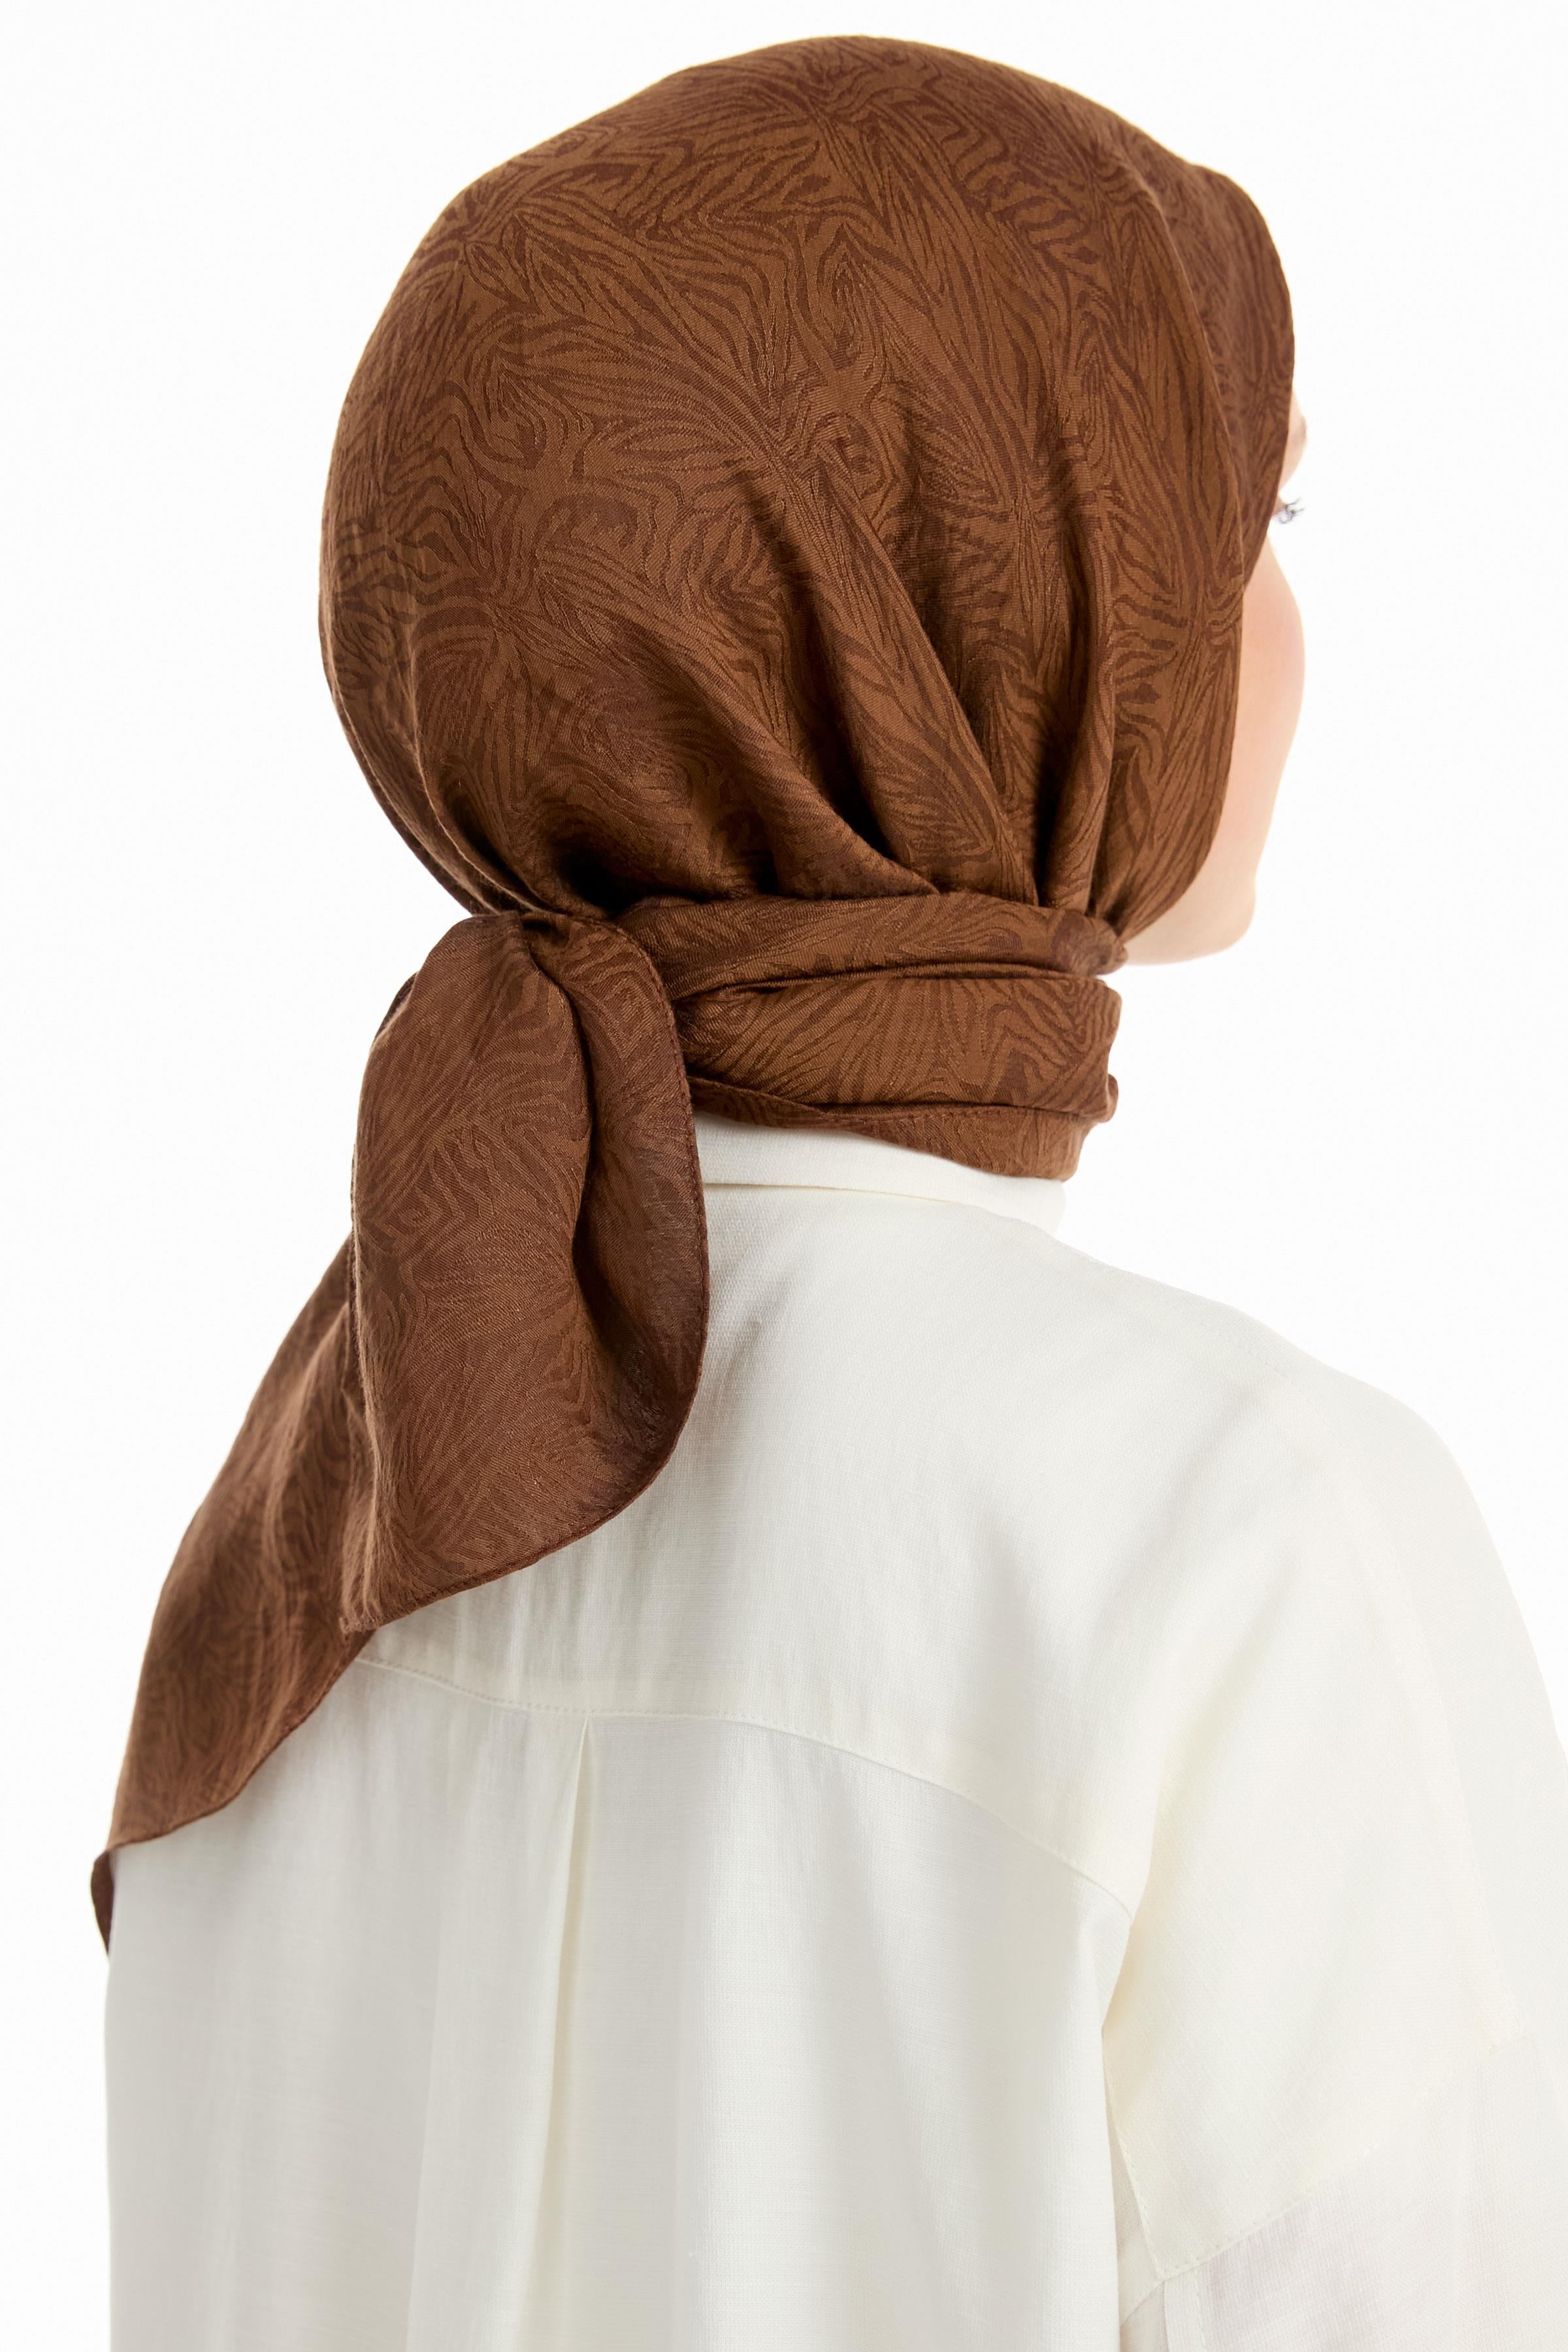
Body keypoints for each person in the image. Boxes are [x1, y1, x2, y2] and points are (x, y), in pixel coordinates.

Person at [100, 35, 1568, 2350]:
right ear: (1003, 600)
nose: (1292, 630)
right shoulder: (1251, 1538)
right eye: (1258, 518)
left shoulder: (296, 1550)